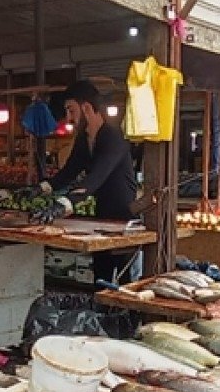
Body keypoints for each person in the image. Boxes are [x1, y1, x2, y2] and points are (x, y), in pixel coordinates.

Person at [26, 80, 137, 283]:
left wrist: (63, 205)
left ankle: (125, 315)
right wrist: (41, 188)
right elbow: (70, 171)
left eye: (71, 110)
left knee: (123, 279)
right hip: (101, 217)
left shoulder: (113, 137)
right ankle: (101, 313)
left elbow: (96, 177)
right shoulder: (83, 139)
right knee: (100, 276)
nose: (69, 118)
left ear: (86, 107)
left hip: (123, 220)